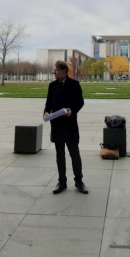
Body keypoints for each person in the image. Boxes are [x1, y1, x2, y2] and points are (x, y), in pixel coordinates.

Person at [44, 60, 87, 194]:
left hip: (70, 125)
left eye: (56, 70)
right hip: (56, 125)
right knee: (60, 155)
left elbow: (80, 102)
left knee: (75, 154)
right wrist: (46, 112)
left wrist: (72, 111)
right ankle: (61, 182)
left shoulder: (74, 85)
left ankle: (79, 181)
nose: (54, 72)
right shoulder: (52, 86)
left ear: (63, 71)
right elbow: (48, 102)